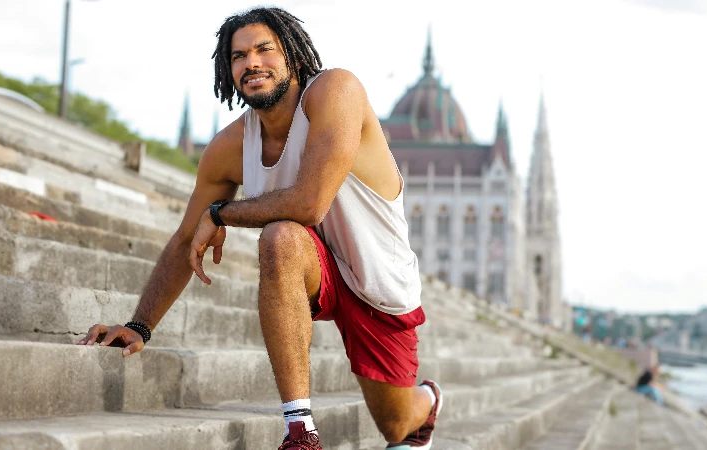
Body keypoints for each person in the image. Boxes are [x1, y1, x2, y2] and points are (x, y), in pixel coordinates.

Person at [76, 7, 442, 450]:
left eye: (265, 50)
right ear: (228, 71)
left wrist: (221, 213)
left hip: (377, 278)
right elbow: (184, 239)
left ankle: (428, 398)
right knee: (281, 237)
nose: (251, 63)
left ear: (294, 58)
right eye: (238, 56)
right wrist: (140, 325)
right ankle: (300, 431)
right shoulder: (229, 147)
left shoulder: (336, 92)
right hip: (311, 264)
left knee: (397, 426)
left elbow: (308, 203)